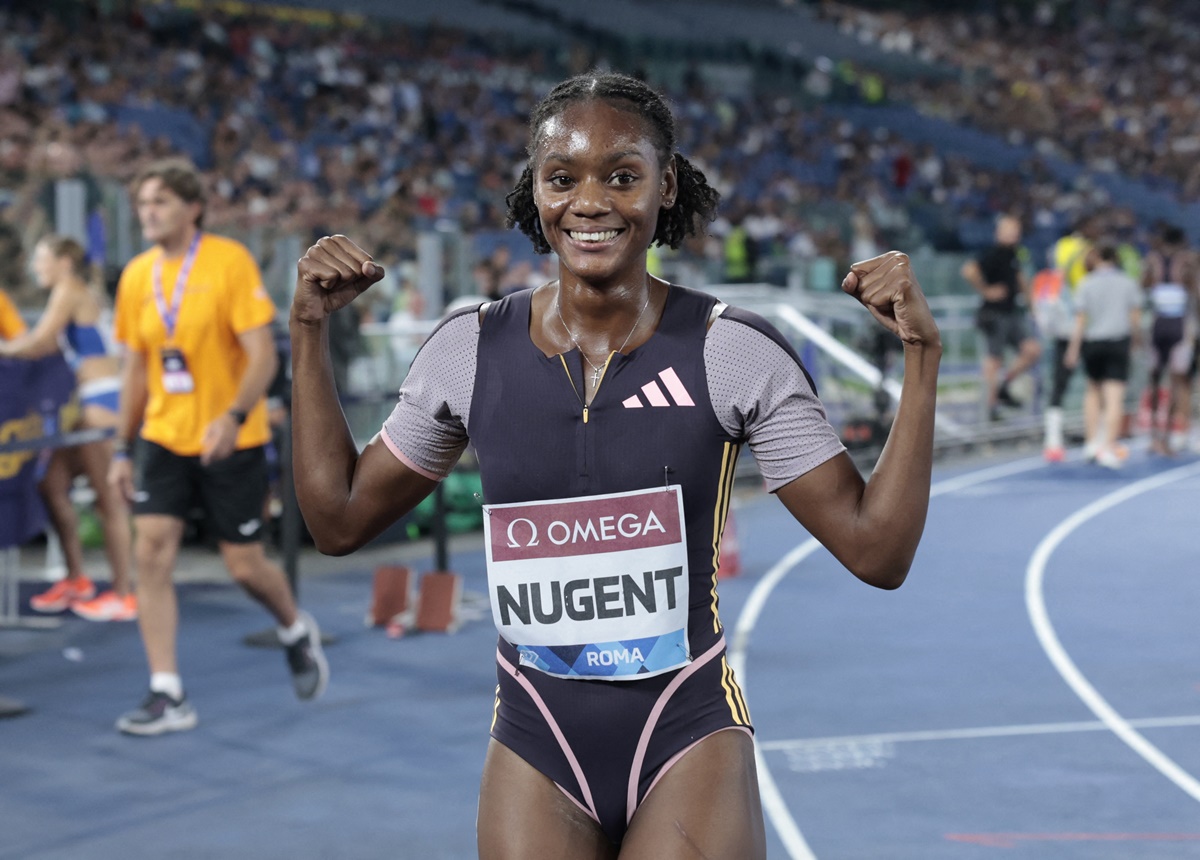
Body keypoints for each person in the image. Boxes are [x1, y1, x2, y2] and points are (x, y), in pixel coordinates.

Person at [289, 72, 941, 859]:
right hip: (537, 740)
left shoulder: (731, 352)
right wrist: (307, 330)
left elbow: (878, 552)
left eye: (622, 176)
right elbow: (337, 520)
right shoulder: (468, 353)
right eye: (563, 178)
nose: (590, 202)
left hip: (686, 732)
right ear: (535, 192)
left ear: (666, 188)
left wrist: (921, 355)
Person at [107, 158, 328, 736]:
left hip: (232, 437)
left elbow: (263, 355)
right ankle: (167, 691)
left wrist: (233, 415)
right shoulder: (135, 277)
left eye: (159, 201)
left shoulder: (228, 261)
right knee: (151, 551)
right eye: (142, 204)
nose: (148, 213)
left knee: (244, 567)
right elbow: (136, 368)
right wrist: (119, 449)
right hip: (162, 434)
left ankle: (292, 628)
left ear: (191, 207)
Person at [0, 235, 136, 621]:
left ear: (62, 261)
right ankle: (77, 579)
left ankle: (123, 594)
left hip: (103, 405)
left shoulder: (69, 290)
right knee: (51, 485)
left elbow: (37, 344)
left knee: (107, 500)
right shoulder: (75, 290)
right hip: (86, 405)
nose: (35, 267)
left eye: (41, 259)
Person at [1064, 243, 1143, 469]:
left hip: (1093, 342)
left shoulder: (1086, 283)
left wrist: (1073, 349)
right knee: (1114, 398)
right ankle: (1108, 446)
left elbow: (1080, 320)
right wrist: (1137, 341)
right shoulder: (1127, 283)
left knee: (1092, 391)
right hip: (1118, 341)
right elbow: (1135, 318)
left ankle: (1091, 443)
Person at [961, 214, 1041, 422]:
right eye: (1010, 230)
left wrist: (1032, 306)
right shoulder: (994, 253)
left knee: (1032, 350)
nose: (1015, 234)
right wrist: (986, 291)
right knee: (993, 360)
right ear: (999, 232)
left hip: (1012, 312)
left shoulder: (1014, 254)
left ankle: (1004, 386)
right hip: (994, 313)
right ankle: (991, 407)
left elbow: (1021, 279)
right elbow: (969, 270)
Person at [1042, 214, 1101, 461]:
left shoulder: (1058, 248)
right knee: (1096, 381)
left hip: (1063, 322)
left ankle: (1053, 441)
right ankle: (1095, 440)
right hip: (1084, 321)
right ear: (1085, 227)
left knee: (1060, 382)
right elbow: (1091, 279)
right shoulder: (1088, 250)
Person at [1140, 225, 1199, 455]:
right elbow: (1195, 293)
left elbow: (1143, 286)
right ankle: (1164, 436)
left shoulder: (1152, 261)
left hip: (1157, 326)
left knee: (1155, 380)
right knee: (1176, 381)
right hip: (1178, 328)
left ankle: (1155, 436)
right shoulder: (1186, 263)